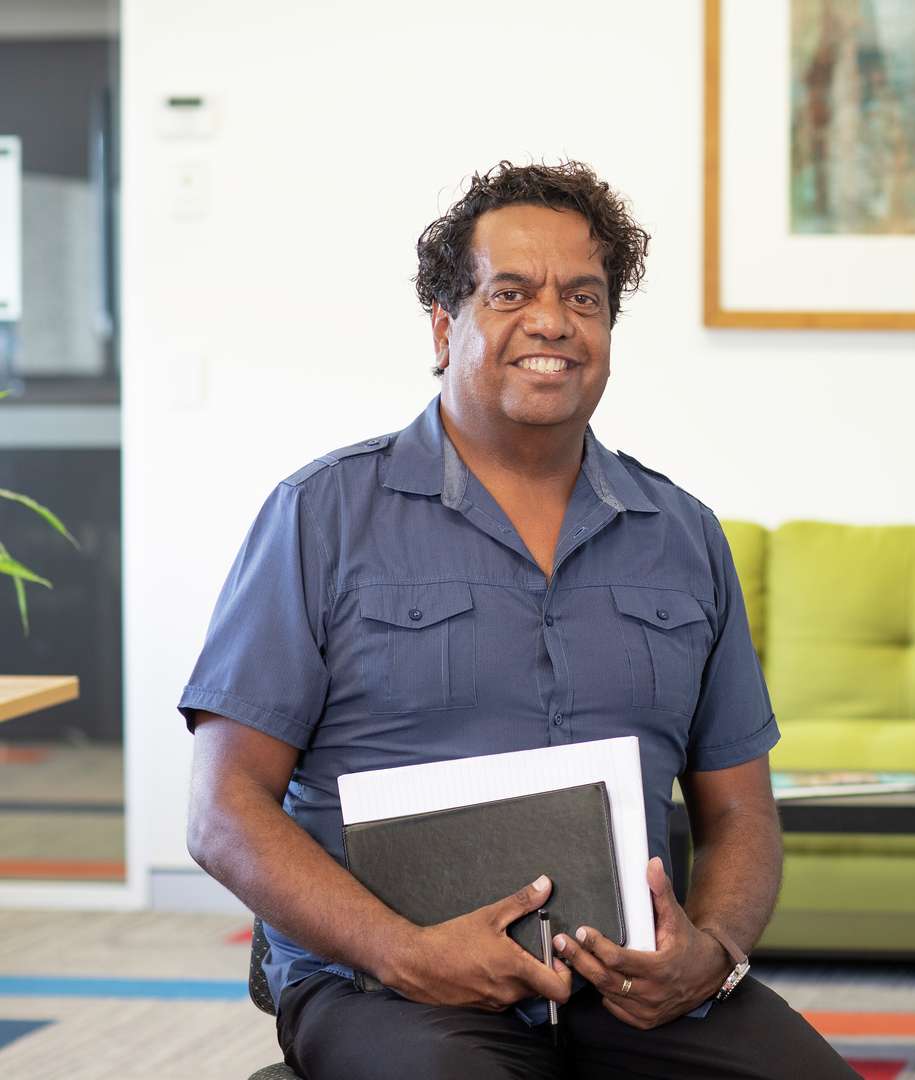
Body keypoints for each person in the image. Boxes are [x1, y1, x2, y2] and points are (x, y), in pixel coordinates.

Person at [181, 161, 856, 1080]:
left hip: (629, 986)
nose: (552, 321)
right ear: (443, 325)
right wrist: (401, 951)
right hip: (386, 985)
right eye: (511, 292)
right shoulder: (322, 515)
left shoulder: (684, 536)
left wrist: (716, 951)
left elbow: (739, 808)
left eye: (584, 296)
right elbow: (224, 812)